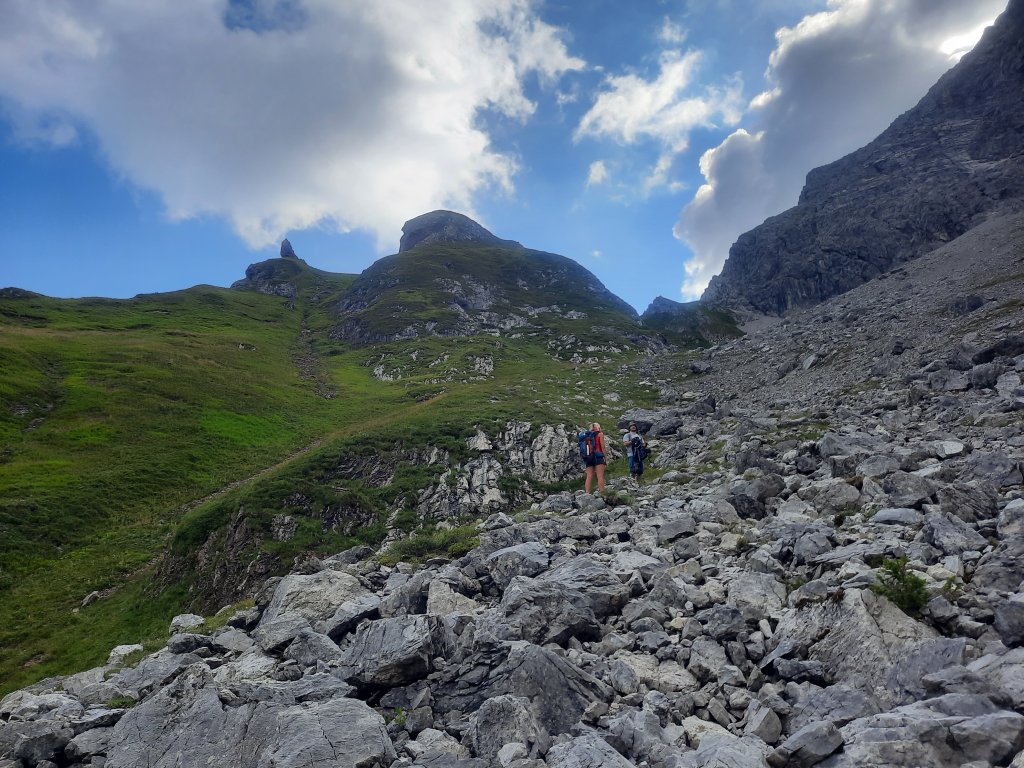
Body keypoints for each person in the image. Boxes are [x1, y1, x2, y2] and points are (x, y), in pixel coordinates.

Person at [581, 422, 607, 494]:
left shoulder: (586, 436)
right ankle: (602, 492)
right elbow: (603, 447)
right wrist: (606, 458)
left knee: (589, 476)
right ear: (598, 427)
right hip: (598, 456)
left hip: (588, 457)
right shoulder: (600, 434)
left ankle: (587, 493)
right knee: (600, 475)